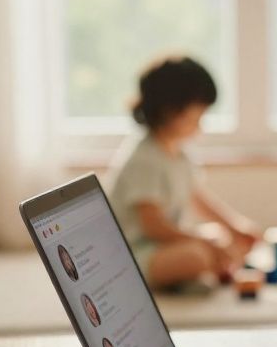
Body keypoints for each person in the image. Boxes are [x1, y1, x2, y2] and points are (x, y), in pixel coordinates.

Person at [107, 56, 261, 290]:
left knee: (219, 238)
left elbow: (197, 198)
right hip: (135, 254)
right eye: (196, 116)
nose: (200, 125)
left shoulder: (179, 153)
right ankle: (186, 274)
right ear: (170, 111)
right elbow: (153, 226)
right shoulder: (143, 159)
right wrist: (202, 242)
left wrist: (234, 227)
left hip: (166, 244)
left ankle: (191, 274)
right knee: (197, 256)